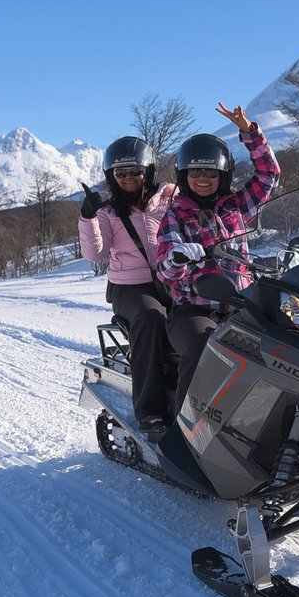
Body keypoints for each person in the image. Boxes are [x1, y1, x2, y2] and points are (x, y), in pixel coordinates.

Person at [157, 102, 280, 416]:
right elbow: (165, 272)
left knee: (284, 348)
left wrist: (249, 132)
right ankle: (184, 428)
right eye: (195, 172)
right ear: (184, 175)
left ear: (222, 175)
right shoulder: (175, 216)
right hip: (194, 310)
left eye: (211, 172)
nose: (203, 178)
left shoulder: (237, 206)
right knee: (205, 346)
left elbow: (269, 175)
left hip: (243, 306)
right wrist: (177, 258)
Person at [79, 136, 178, 437]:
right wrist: (88, 217)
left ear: (148, 170)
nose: (128, 178)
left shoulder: (170, 197)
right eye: (120, 173)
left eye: (135, 171)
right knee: (151, 317)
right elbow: (95, 254)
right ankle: (150, 411)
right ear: (112, 176)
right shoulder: (108, 209)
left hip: (173, 280)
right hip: (130, 288)